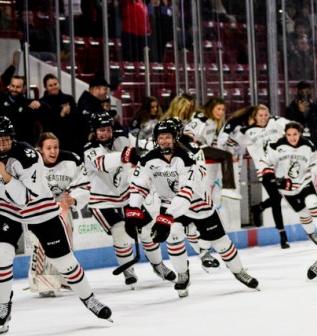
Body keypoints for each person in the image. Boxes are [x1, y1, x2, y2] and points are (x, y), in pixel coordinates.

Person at [0, 116, 112, 334]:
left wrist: (2, 171)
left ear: (13, 138)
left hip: (40, 209)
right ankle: (2, 307)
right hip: (7, 211)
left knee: (65, 263)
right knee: (0, 256)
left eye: (5, 140)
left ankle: (91, 299)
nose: (1, 145)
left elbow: (24, 198)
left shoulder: (28, 155)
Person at [128, 118, 260, 297]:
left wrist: (165, 218)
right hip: (170, 204)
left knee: (221, 243)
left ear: (175, 137)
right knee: (173, 238)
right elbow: (139, 185)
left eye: (167, 136)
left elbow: (186, 192)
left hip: (198, 204)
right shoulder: (148, 159)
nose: (164, 140)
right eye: (160, 137)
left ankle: (238, 271)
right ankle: (183, 275)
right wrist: (133, 210)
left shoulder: (191, 156)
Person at [84, 110, 177, 288]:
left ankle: (158, 266)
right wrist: (125, 155)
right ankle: (128, 270)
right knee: (121, 234)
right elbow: (101, 163)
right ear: (94, 131)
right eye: (100, 130)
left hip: (127, 197)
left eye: (108, 129)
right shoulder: (89, 149)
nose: (105, 133)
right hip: (103, 202)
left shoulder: (123, 138)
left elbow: (140, 149)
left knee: (149, 231)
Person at [27, 132, 89, 297]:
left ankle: (63, 278)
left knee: (64, 245)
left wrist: (74, 199)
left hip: (62, 209)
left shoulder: (71, 160)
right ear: (40, 149)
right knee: (40, 246)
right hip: (38, 211)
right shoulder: (29, 162)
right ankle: (43, 284)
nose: (53, 151)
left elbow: (84, 185)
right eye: (48, 148)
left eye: (55, 147)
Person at [258, 121, 317, 246]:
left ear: (299, 133)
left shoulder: (308, 145)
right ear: (285, 135)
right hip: (287, 188)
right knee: (303, 213)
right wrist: (270, 175)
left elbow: (314, 164)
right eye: (289, 135)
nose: (292, 137)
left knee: (313, 202)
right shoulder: (276, 146)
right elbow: (264, 161)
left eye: (295, 134)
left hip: (304, 181)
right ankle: (311, 233)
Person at [223, 103, 289, 246]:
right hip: (264, 168)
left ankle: (258, 208)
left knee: (280, 195)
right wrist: (230, 155)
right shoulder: (247, 131)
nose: (264, 118)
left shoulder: (275, 122)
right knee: (275, 198)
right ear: (254, 117)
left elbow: (293, 127)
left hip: (280, 167)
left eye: (266, 115)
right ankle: (282, 235)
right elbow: (229, 142)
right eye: (260, 115)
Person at [184, 96, 236, 190]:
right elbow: (187, 133)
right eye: (218, 109)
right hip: (194, 148)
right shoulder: (201, 118)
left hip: (203, 147)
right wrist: (194, 144)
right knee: (226, 156)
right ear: (211, 108)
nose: (221, 112)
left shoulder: (214, 121)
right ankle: (228, 188)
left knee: (225, 154)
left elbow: (214, 141)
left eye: (223, 109)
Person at [39, 74, 77, 150]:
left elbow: (76, 118)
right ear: (45, 87)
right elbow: (47, 123)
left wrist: (70, 113)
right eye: (50, 85)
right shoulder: (42, 102)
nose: (54, 87)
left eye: (55, 84)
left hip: (70, 141)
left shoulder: (69, 99)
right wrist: (61, 114)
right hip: (52, 141)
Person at [284, 81, 317, 150]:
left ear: (310, 92)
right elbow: (290, 125)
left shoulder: (316, 108)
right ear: (298, 92)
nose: (305, 94)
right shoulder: (291, 108)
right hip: (297, 143)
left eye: (307, 92)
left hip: (314, 142)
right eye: (302, 92)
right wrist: (299, 112)